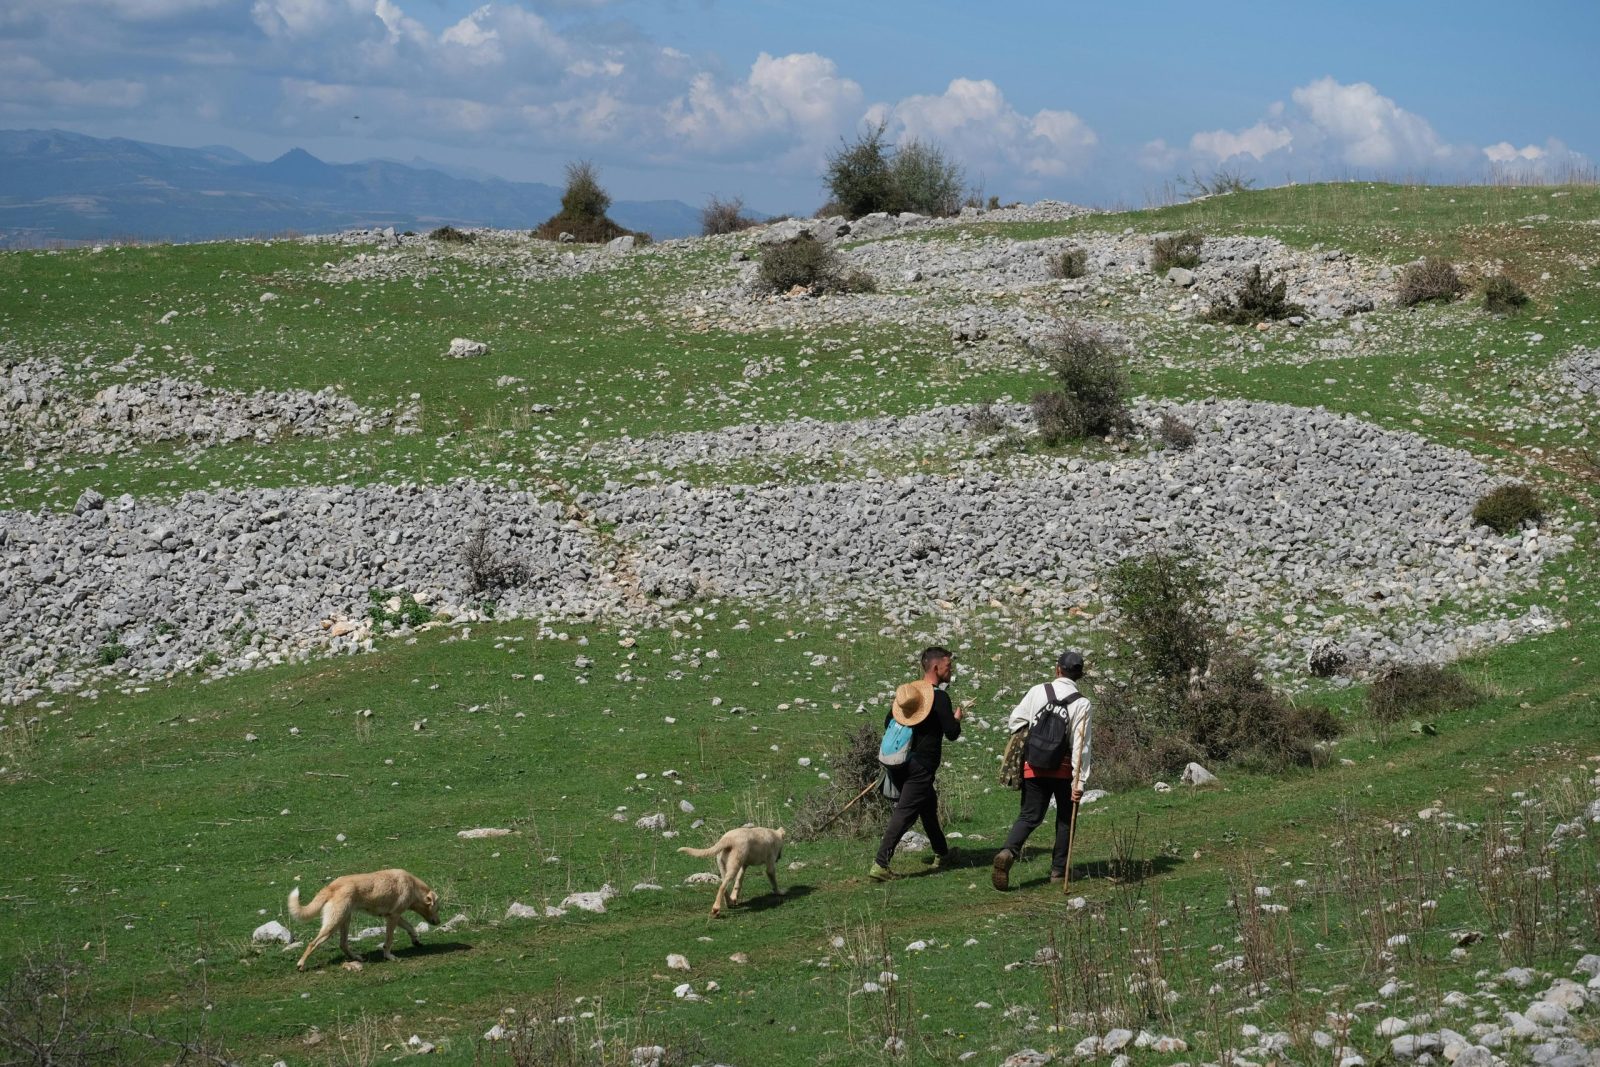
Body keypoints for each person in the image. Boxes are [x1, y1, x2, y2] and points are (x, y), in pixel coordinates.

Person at [991, 651, 1092, 891]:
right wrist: (1080, 783)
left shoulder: (1038, 691)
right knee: (1066, 819)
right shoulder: (1082, 703)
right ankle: (1058, 871)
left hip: (1033, 766)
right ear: (1079, 675)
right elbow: (1081, 746)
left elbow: (1015, 721)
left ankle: (1008, 851)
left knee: (1029, 816)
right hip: (1064, 770)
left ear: (1058, 669)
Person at [868, 646, 964, 881]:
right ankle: (880, 864)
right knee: (904, 814)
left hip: (901, 762)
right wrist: (957, 719)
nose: (951, 670)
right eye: (948, 665)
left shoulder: (908, 694)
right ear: (936, 667)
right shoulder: (939, 698)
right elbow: (951, 733)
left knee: (928, 807)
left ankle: (942, 852)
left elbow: (888, 721)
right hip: (921, 767)